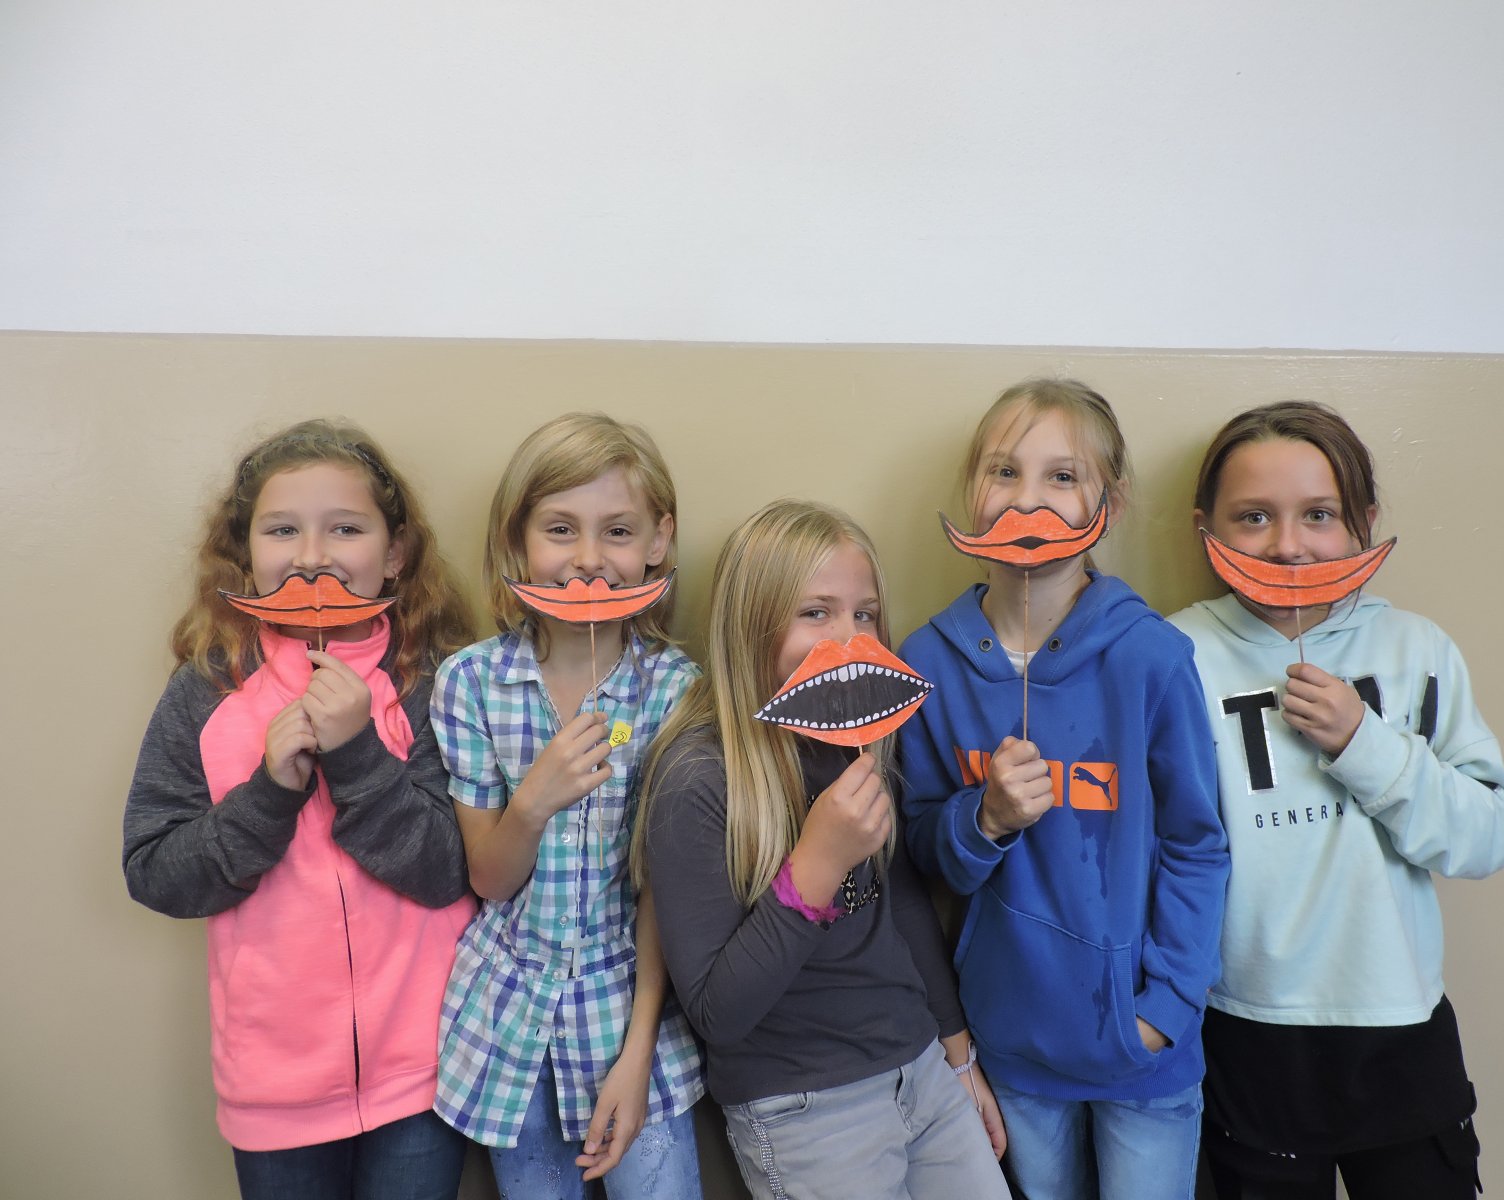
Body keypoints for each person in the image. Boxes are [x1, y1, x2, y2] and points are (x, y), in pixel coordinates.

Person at [1168, 400, 1504, 1199]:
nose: (1287, 544)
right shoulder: (1173, 653)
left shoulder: (1417, 649)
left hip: (1401, 1029)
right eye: (1253, 517)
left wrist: (1365, 744)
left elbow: (1496, 834)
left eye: (1319, 515)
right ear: (1205, 531)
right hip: (1243, 1031)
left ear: (1364, 524)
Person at [123, 418, 477, 1200]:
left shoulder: (436, 681)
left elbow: (451, 871)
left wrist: (358, 756)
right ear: (245, 553)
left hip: (427, 1074)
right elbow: (154, 871)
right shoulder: (209, 687)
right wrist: (270, 794)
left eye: (345, 529)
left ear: (395, 553)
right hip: (273, 1089)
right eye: (282, 530)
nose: (312, 556)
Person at [899, 379, 1229, 1200]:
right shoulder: (928, 663)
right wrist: (983, 819)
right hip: (1014, 1047)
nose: (1027, 501)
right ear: (973, 492)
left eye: (1062, 476)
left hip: (1142, 1048)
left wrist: (1164, 1010)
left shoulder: (1152, 657)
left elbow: (1197, 844)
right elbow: (926, 854)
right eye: (1004, 471)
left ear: (1107, 506)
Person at [636, 499, 1010, 1200]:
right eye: (816, 612)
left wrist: (958, 1058)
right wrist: (817, 865)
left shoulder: (860, 740)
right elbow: (718, 1014)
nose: (849, 638)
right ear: (751, 628)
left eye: (865, 615)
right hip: (803, 1107)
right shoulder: (697, 780)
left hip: (920, 1069)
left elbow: (903, 905)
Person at [430, 412, 703, 1199]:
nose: (588, 559)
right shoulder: (470, 684)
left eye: (617, 531)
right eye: (559, 529)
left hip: (632, 1015)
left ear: (658, 541)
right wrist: (532, 804)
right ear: (516, 544)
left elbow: (664, 890)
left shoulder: (676, 691)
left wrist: (638, 1050)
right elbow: (488, 879)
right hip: (509, 1024)